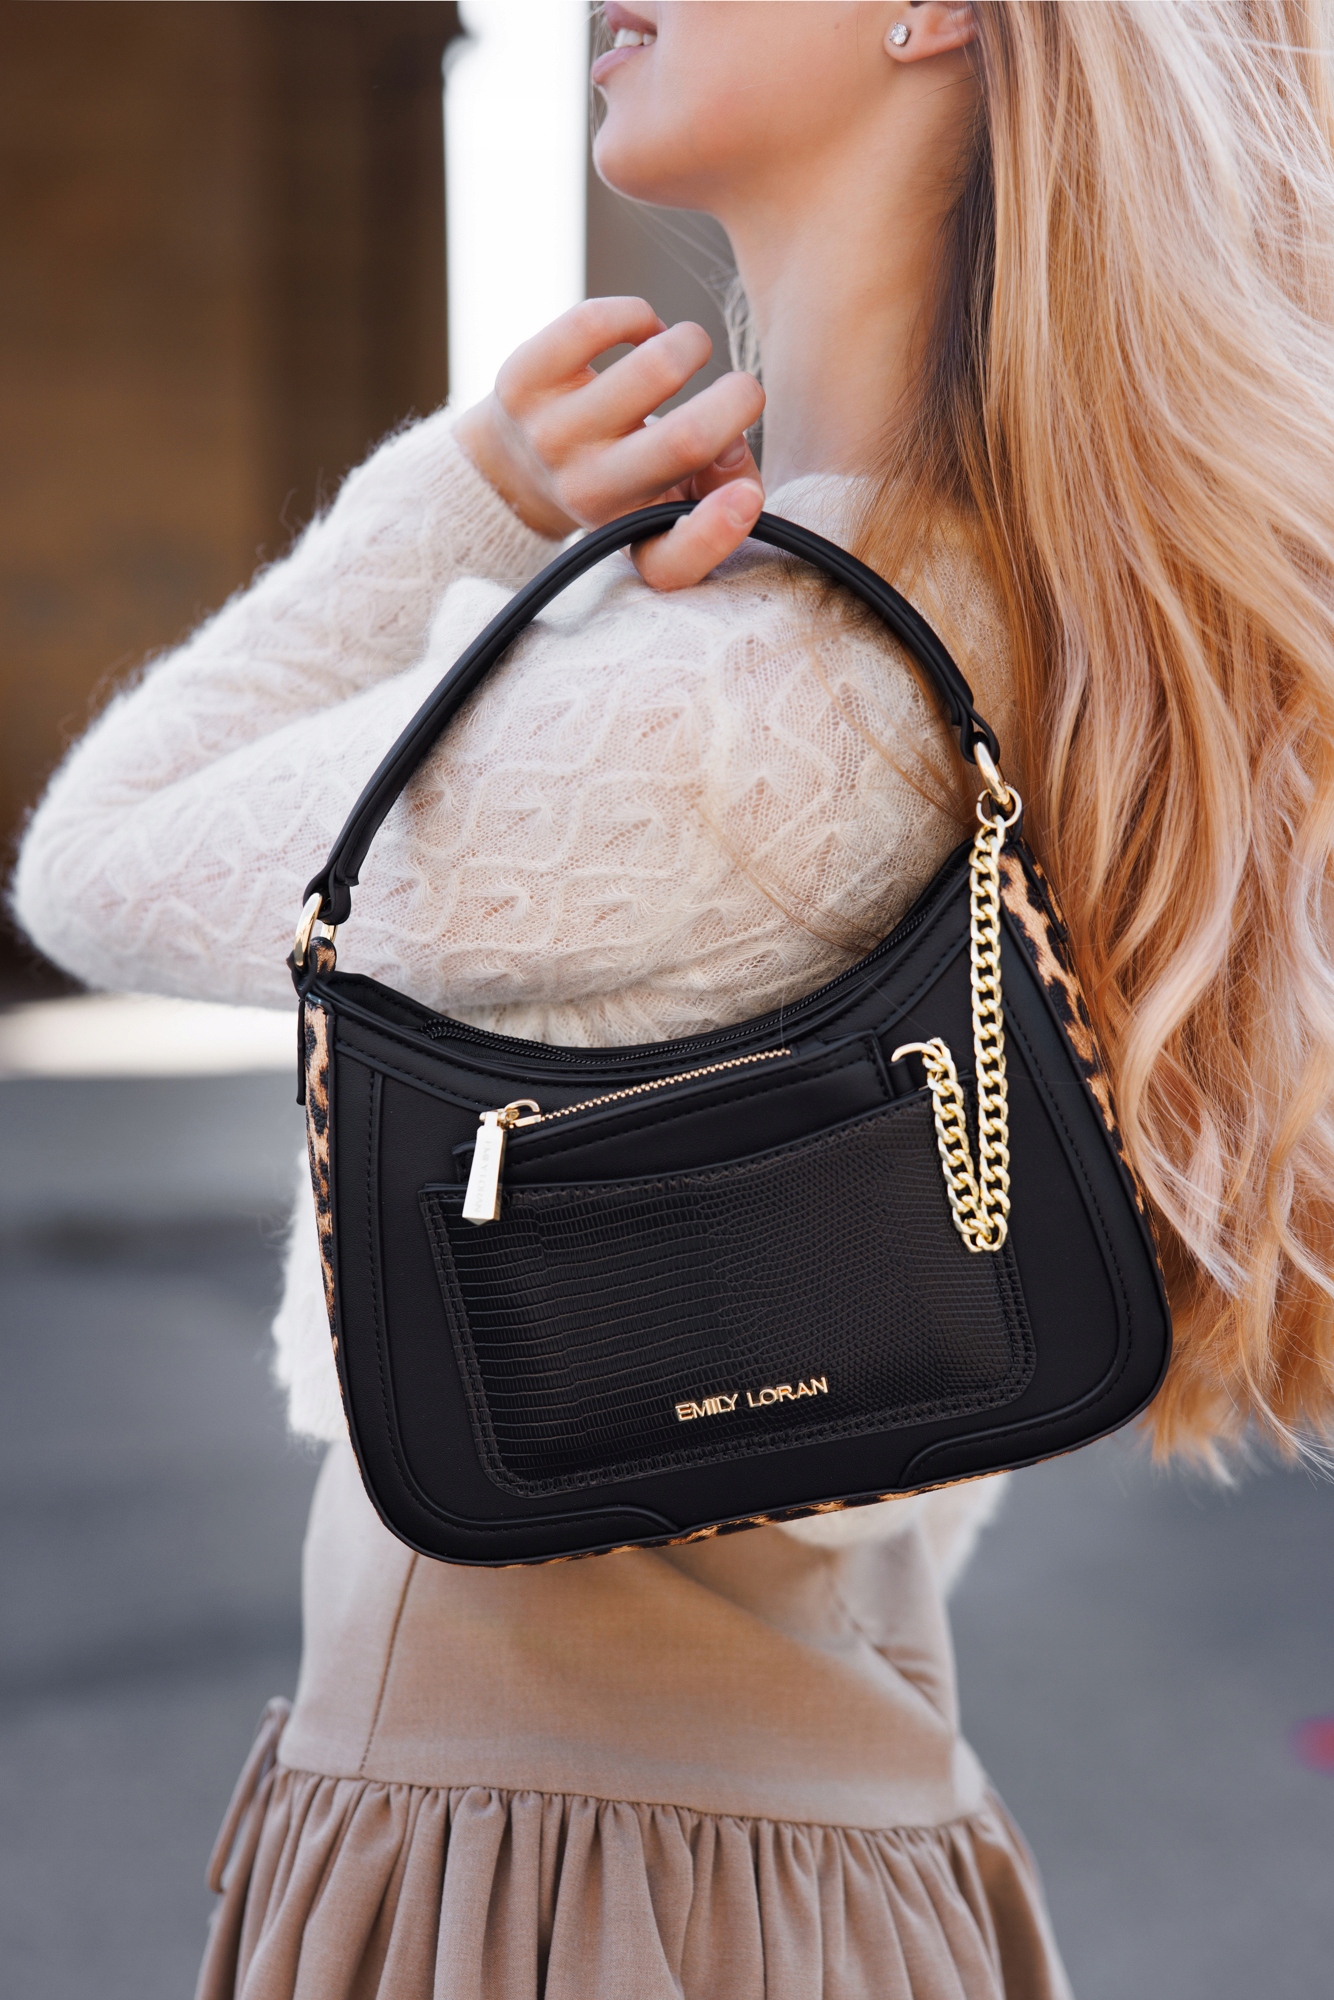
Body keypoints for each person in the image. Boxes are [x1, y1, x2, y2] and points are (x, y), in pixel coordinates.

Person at [15, 2, 1334, 1994]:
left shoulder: (722, 700)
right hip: (826, 1840)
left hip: (545, 1869)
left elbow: (98, 862)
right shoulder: (1035, 631)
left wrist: (469, 488)